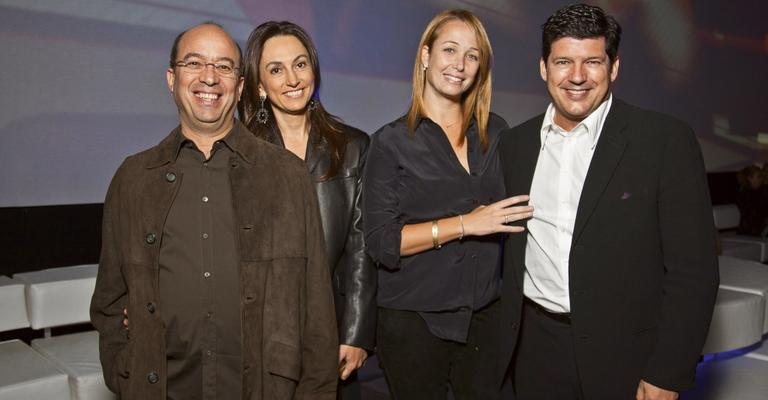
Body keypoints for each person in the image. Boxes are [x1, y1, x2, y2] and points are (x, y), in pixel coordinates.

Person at [90, 22, 338, 400]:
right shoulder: (133, 180)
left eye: (224, 66)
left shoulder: (286, 175)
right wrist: (125, 371)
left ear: (239, 87)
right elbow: (109, 303)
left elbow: (317, 311)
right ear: (171, 79)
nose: (209, 77)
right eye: (194, 63)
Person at [497, 4, 719, 400]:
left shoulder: (664, 141)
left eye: (592, 62)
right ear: (543, 68)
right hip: (532, 353)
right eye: (563, 61)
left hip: (625, 359)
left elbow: (694, 274)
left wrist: (667, 372)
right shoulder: (515, 144)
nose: (577, 76)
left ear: (613, 68)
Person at [362, 9, 533, 400]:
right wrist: (465, 224)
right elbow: (382, 243)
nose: (459, 65)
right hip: (414, 324)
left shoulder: (498, 134)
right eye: (450, 50)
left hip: (485, 317)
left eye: (472, 56)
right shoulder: (390, 143)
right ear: (425, 55)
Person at [237, 21, 376, 400]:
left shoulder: (354, 148)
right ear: (260, 85)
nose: (292, 78)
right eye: (276, 69)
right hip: (259, 333)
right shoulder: (238, 155)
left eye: (300, 64)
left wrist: (355, 333)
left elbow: (361, 251)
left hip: (331, 330)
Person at [735, 164, 768, 236]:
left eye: (761, 176)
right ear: (749, 178)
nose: (761, 179)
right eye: (759, 176)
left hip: (760, 227)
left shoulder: (763, 191)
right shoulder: (744, 194)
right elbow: (751, 214)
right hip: (750, 230)